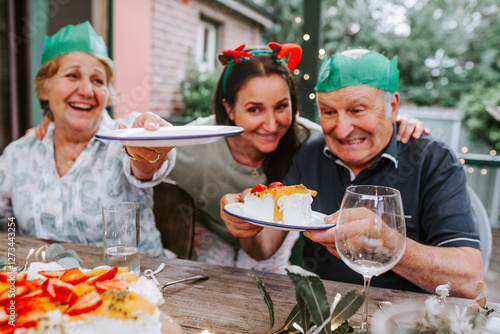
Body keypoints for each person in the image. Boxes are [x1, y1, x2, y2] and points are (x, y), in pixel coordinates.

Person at [221, 48, 484, 298]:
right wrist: (247, 220)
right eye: (328, 112)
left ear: (393, 107)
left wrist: (390, 246)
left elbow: (472, 280)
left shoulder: (433, 159)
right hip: (320, 311)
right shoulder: (309, 152)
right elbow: (263, 248)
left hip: (406, 318)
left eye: (357, 110)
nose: (342, 129)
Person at [169, 43, 428, 273]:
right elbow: (139, 145)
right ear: (229, 109)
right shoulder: (197, 142)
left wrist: (390, 122)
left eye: (282, 107)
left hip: (264, 254)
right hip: (211, 248)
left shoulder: (314, 140)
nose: (271, 125)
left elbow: (357, 130)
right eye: (254, 109)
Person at [0, 21, 174, 256]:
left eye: (98, 80)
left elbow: (145, 163)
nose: (87, 91)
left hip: (135, 286)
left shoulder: (123, 137)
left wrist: (149, 147)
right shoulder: (17, 154)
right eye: (72, 75)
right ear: (44, 89)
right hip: (44, 287)